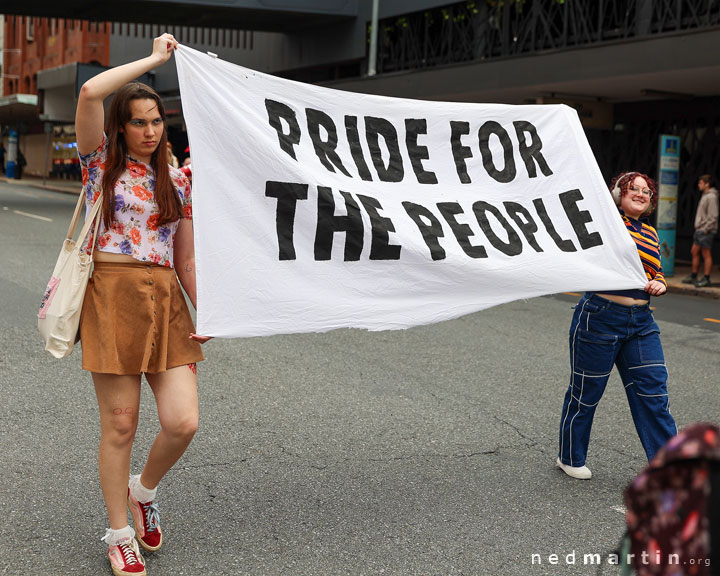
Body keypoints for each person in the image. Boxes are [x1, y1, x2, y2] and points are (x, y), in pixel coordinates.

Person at [75, 33, 211, 576]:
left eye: (157, 121)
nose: (150, 131)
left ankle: (143, 489)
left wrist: (208, 312)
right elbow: (87, 92)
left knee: (183, 422)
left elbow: (187, 261)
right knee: (122, 424)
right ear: (121, 126)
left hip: (164, 300)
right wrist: (156, 61)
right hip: (111, 296)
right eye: (138, 121)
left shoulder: (178, 180)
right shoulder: (99, 166)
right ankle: (118, 532)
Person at [556, 171, 677, 480]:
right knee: (586, 392)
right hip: (600, 316)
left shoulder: (650, 233)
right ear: (619, 195)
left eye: (646, 191)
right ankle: (569, 456)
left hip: (641, 322)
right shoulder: (606, 223)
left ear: (651, 201)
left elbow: (656, 272)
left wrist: (660, 284)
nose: (639, 193)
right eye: (631, 188)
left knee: (654, 394)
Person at [682, 174, 718, 288]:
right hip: (700, 230)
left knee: (706, 254)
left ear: (707, 184)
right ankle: (694, 275)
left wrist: (705, 229)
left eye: (701, 183)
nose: (698, 185)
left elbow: (713, 216)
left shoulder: (711, 197)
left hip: (705, 230)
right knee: (694, 251)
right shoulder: (706, 195)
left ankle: (706, 278)